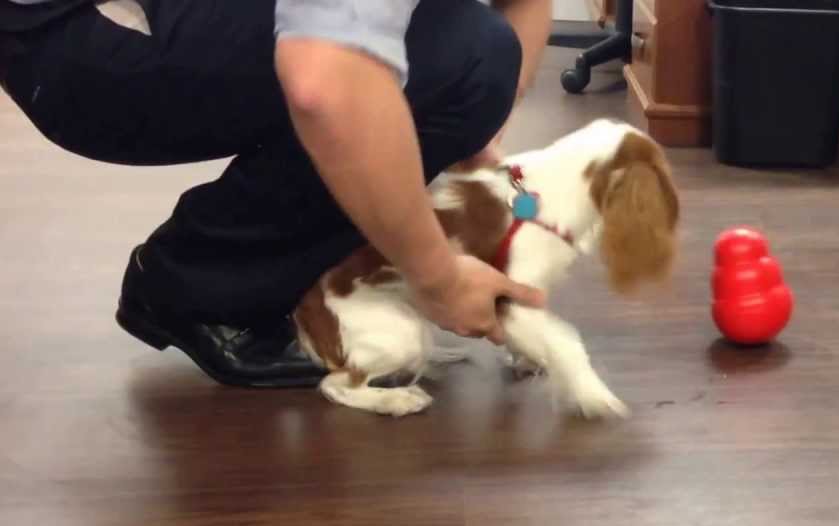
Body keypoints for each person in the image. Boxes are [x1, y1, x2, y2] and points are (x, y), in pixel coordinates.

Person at [0, 0, 549, 388]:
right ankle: (198, 289)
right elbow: (324, 82)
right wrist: (440, 279)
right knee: (465, 54)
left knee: (469, 58)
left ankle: (214, 270)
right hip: (76, 39)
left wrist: (472, 133)